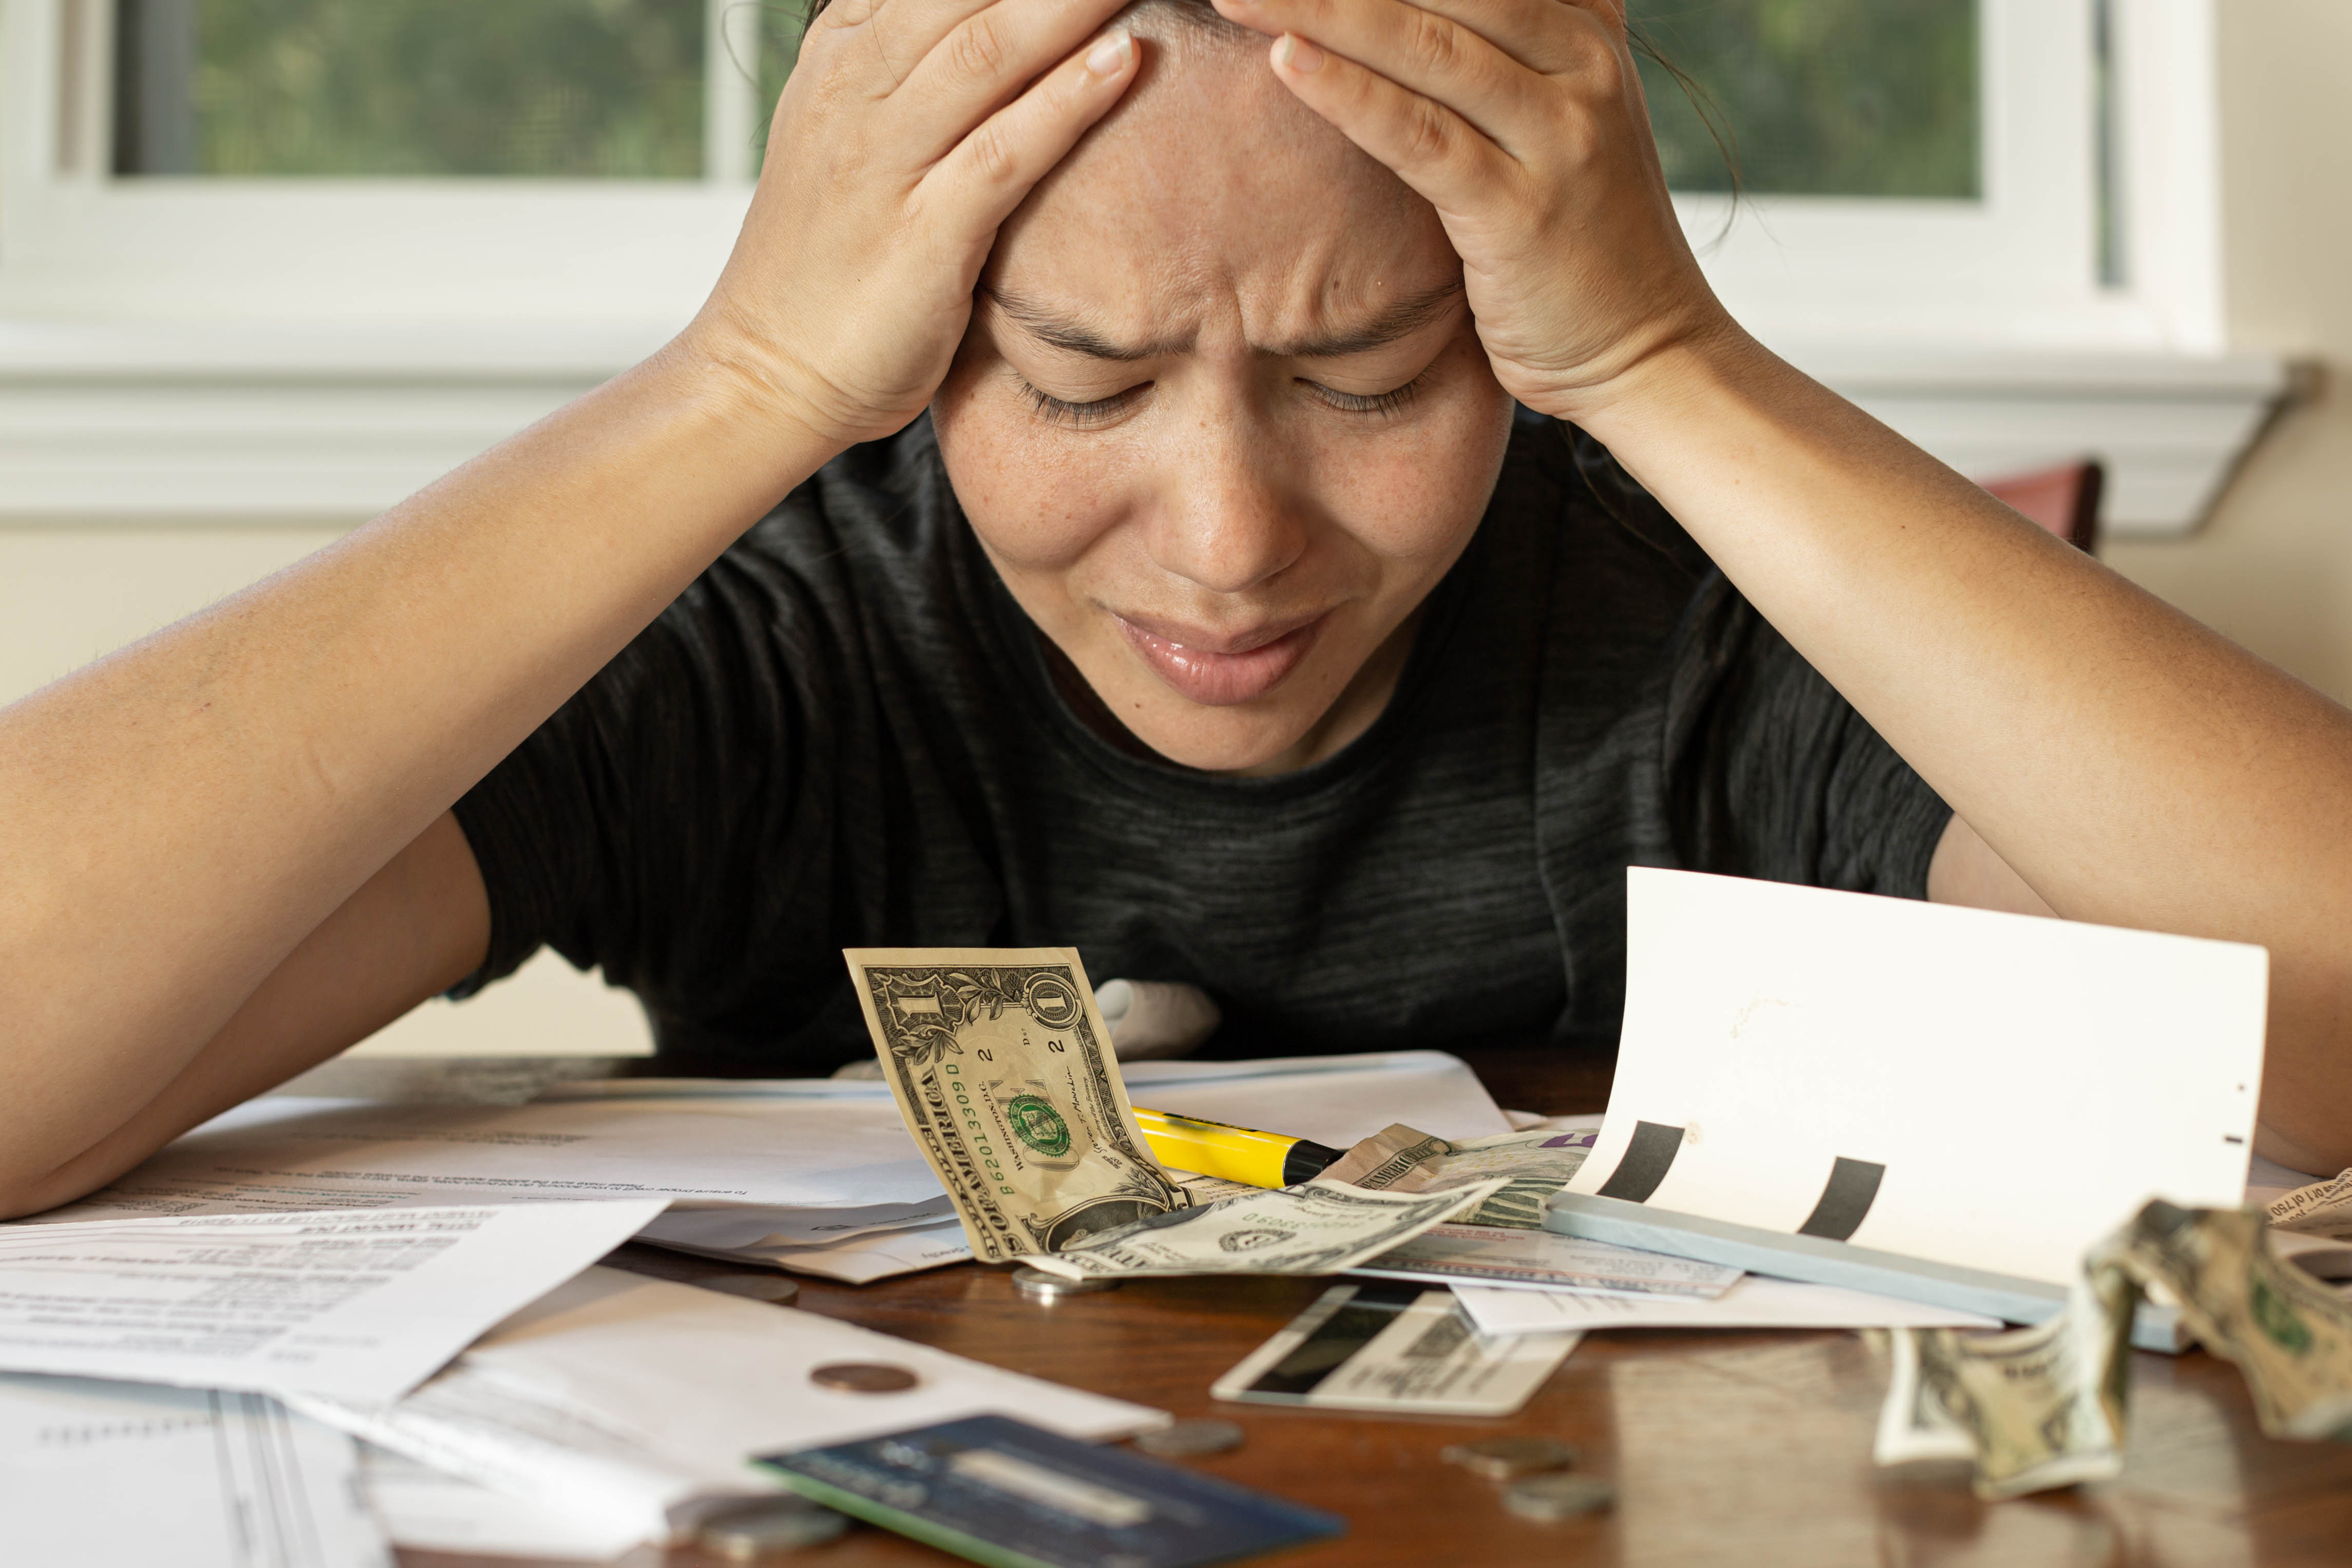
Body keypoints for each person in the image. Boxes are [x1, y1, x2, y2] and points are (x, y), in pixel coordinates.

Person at [5, 0, 2349, 1222]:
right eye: (1080, 380)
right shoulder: (779, 639)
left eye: (1372, 375)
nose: (1230, 541)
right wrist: (739, 386)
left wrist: (1668, 362)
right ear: (919, 345)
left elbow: (2328, 1051)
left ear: (1511, 316)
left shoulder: (1691, 617)